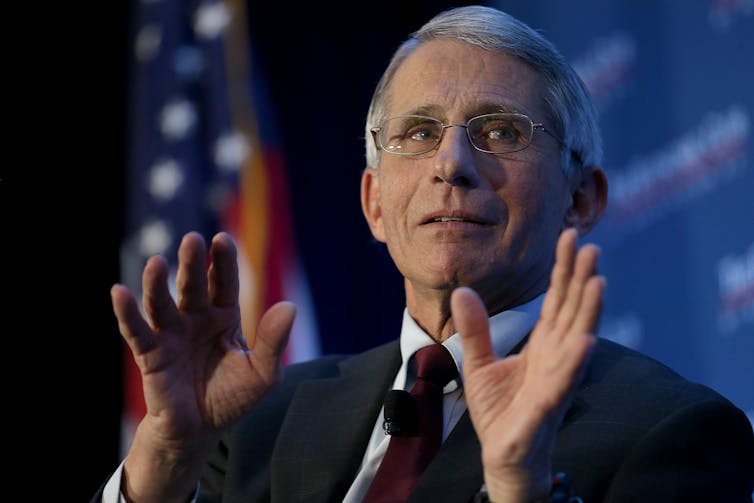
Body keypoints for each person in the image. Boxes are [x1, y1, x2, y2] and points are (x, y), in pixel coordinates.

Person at [94, 5, 754, 502]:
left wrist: (521, 484)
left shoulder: (677, 429)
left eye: (500, 130)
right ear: (374, 203)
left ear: (581, 198)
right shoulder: (258, 422)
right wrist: (165, 456)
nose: (452, 163)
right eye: (418, 131)